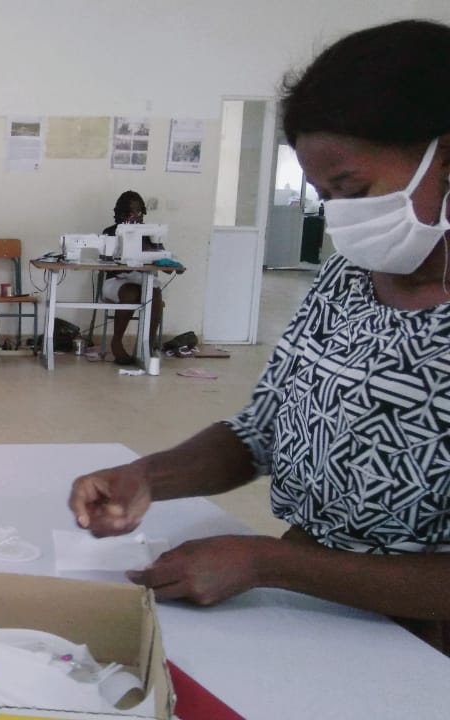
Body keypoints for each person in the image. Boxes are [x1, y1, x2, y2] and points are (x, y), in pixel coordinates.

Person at [68, 19, 450, 652]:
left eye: (353, 190)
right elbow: (262, 431)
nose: (342, 217)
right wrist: (147, 477)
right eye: (327, 196)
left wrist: (266, 562)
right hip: (323, 607)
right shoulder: (349, 280)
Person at [99, 190, 164, 365]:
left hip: (142, 280)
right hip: (116, 281)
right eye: (130, 212)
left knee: (155, 294)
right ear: (121, 213)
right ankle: (117, 342)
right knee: (130, 293)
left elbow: (160, 258)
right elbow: (106, 262)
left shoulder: (149, 233)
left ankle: (146, 347)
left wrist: (146, 245)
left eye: (139, 211)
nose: (136, 215)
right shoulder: (110, 232)